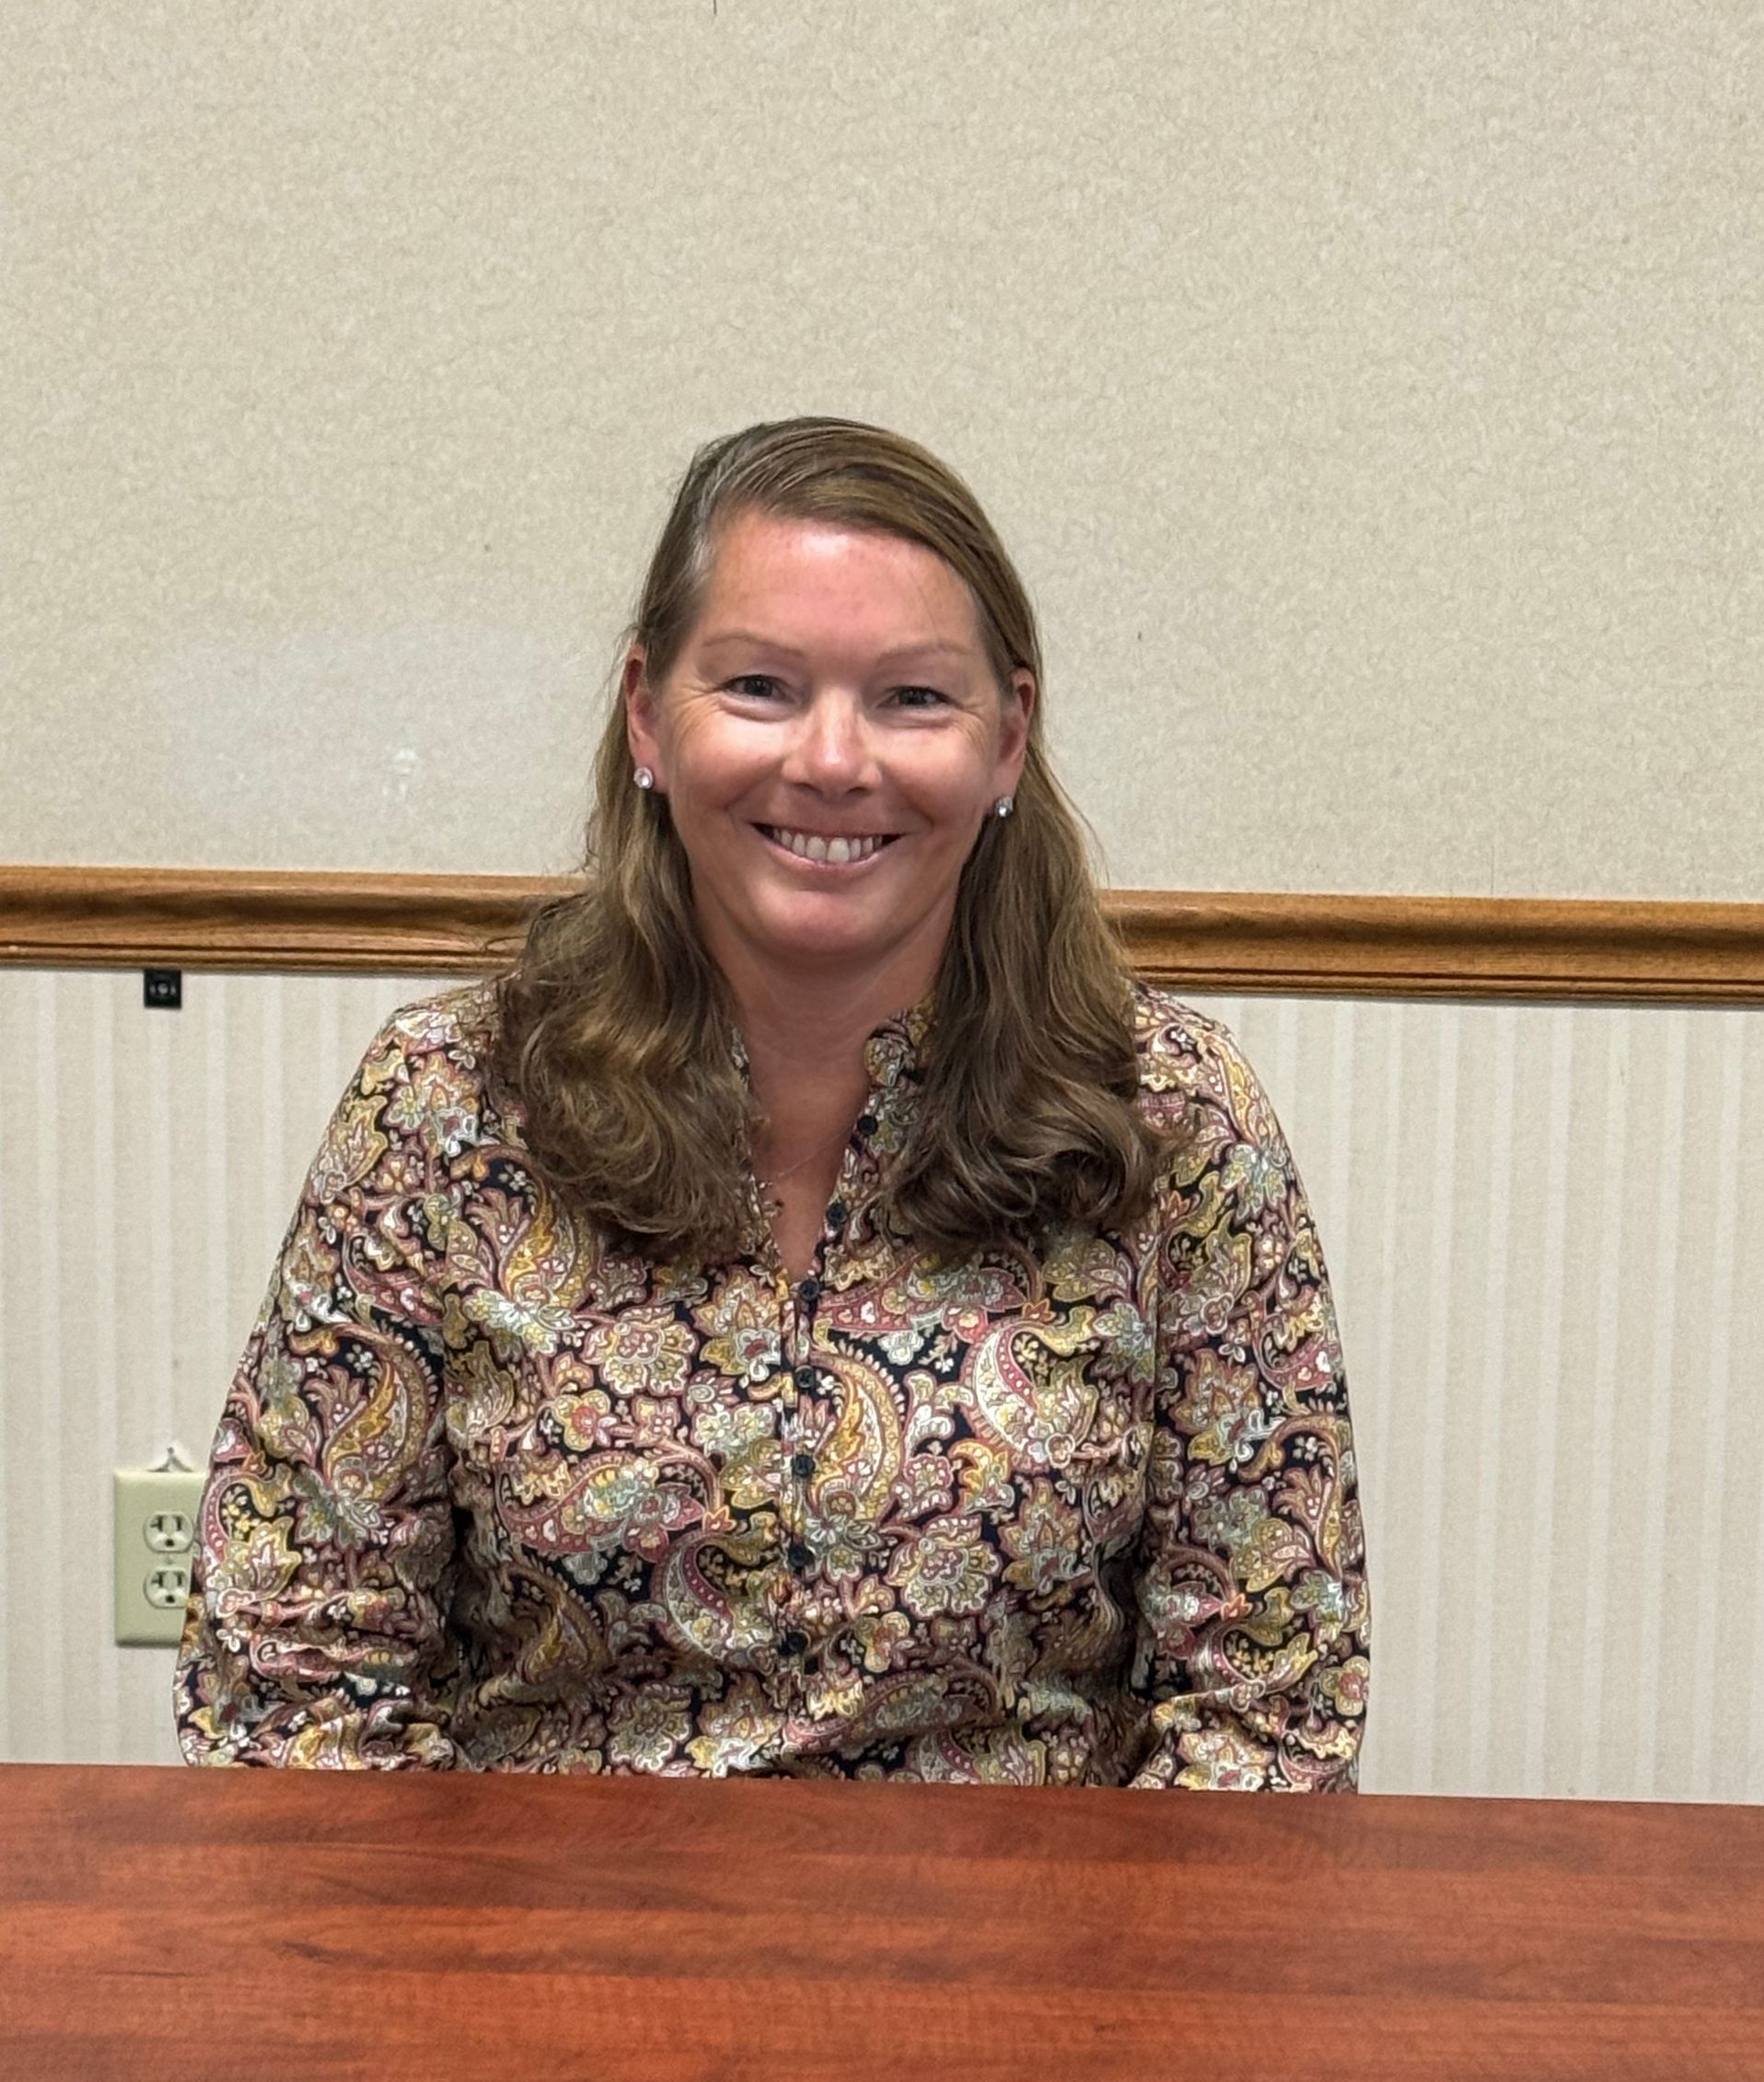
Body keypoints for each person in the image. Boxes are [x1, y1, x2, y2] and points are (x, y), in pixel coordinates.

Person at [174, 417, 1370, 1785]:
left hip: (1030, 1978)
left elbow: (1269, 1713)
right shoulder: (446, 1110)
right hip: (536, 1972)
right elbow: (292, 1688)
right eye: (758, 685)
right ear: (647, 717)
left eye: (914, 698)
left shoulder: (1170, 1122)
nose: (833, 760)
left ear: (1007, 743)